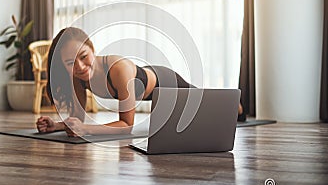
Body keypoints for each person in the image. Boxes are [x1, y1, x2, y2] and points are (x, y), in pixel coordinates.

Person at [36, 27, 242, 136]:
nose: (80, 67)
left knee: (218, 108)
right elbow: (78, 120)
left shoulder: (118, 69)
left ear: (92, 48)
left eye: (83, 56)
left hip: (167, 81)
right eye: (70, 63)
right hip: (153, 93)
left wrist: (88, 131)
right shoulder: (77, 78)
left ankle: (237, 106)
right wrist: (56, 126)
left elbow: (126, 125)